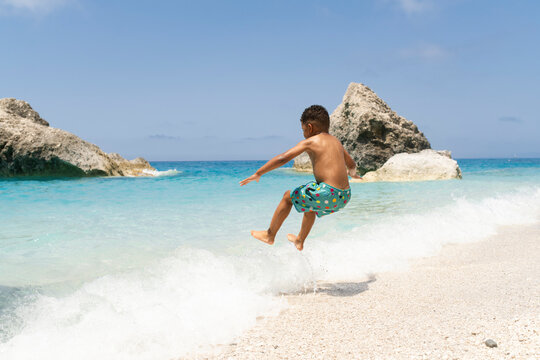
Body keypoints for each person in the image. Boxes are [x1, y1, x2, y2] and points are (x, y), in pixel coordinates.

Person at [239, 105, 362, 251]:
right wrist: (353, 174)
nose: (303, 133)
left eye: (303, 130)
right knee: (309, 205)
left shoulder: (311, 141)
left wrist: (258, 173)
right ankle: (299, 240)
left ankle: (269, 235)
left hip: (328, 193)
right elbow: (352, 164)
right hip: (344, 196)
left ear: (309, 127)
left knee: (287, 197)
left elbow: (283, 158)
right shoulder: (336, 142)